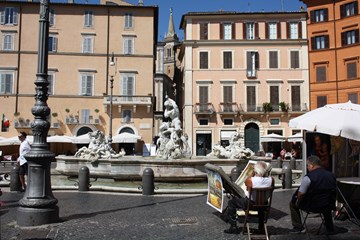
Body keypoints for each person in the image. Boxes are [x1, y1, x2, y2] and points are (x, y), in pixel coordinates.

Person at [289, 155, 336, 234]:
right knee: (325, 201)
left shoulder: (308, 177)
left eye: (307, 165)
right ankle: (329, 227)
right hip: (328, 205)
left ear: (311, 165)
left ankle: (298, 227)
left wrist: (297, 202)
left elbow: (301, 194)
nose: (307, 167)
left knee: (292, 204)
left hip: (313, 206)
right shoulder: (331, 175)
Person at [224, 161, 274, 234]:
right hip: (264, 205)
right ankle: (261, 227)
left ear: (256, 170)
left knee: (231, 202)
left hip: (250, 204)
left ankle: (233, 227)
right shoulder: (272, 180)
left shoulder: (251, 180)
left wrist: (253, 172)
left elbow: (247, 187)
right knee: (261, 205)